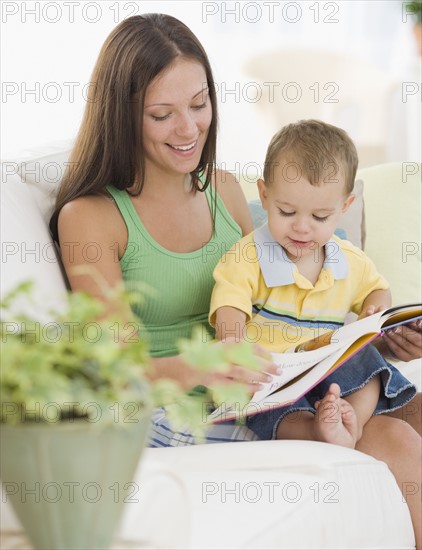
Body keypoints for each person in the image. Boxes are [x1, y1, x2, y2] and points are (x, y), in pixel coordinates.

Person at [49, 14, 421, 547]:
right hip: (189, 409)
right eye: (162, 114)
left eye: (199, 105)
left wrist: (374, 338)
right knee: (396, 440)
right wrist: (207, 363)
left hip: (268, 381)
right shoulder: (91, 218)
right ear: (122, 116)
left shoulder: (223, 191)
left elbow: (280, 301)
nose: (188, 129)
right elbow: (119, 374)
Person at [209, 119, 417, 449]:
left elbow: (376, 288)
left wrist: (375, 307)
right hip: (272, 379)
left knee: (368, 362)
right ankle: (316, 431)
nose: (302, 228)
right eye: (287, 211)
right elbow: (229, 306)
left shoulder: (349, 260)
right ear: (264, 195)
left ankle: (353, 422)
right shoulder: (247, 255)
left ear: (344, 207)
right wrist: (235, 345)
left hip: (326, 373)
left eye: (320, 217)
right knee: (271, 412)